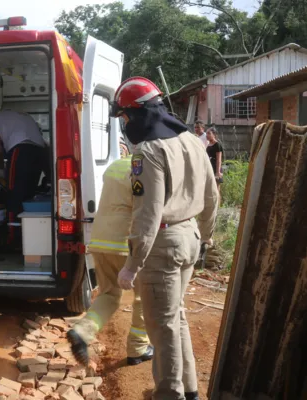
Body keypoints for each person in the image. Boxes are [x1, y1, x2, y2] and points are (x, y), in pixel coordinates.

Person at [111, 77, 218, 400]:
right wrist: (207, 238)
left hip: (163, 244)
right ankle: (189, 390)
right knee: (176, 318)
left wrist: (132, 265)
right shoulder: (192, 141)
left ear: (137, 113)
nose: (125, 123)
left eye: (125, 116)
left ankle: (169, 394)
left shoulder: (148, 150)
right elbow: (212, 195)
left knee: (162, 328)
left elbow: (148, 213)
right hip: (190, 237)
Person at [67, 139, 154, 367]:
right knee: (141, 297)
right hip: (125, 242)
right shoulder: (146, 168)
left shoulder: (113, 167)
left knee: (108, 294)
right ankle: (138, 348)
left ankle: (82, 331)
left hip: (100, 240)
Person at [0, 110, 49, 246]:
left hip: (21, 149)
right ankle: (28, 235)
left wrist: (0, 169)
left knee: (14, 193)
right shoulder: (25, 116)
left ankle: (13, 238)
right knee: (29, 193)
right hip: (39, 151)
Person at [206, 127, 224, 192]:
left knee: (216, 188)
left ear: (214, 134)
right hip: (210, 167)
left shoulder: (217, 145)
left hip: (216, 168)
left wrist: (218, 172)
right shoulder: (208, 145)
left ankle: (218, 202)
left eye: (209, 133)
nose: (207, 135)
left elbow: (219, 159)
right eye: (206, 133)